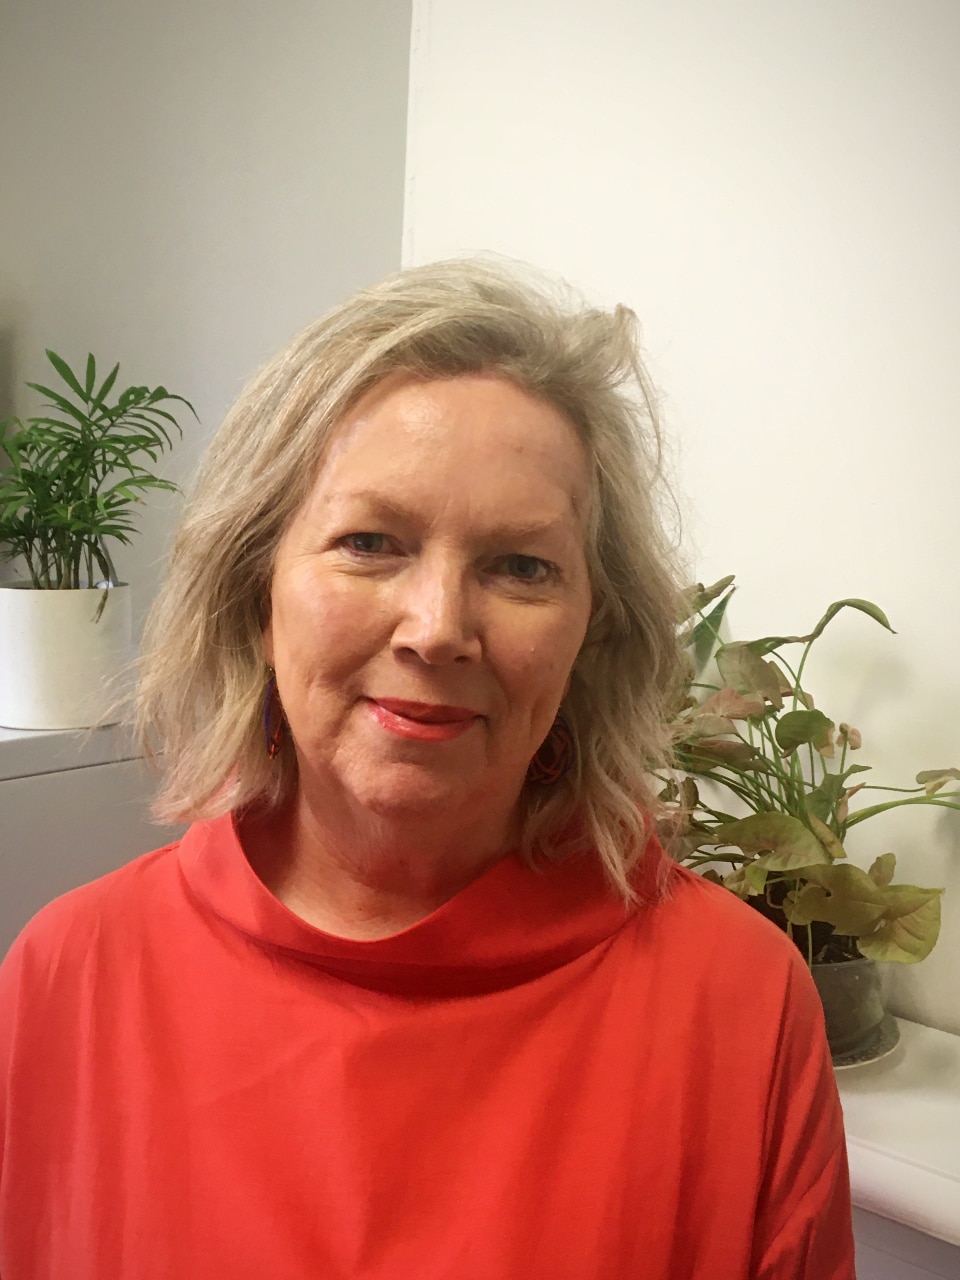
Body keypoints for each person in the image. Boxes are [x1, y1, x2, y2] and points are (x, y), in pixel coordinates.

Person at [0, 260, 856, 1279]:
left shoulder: (739, 1004)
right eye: (370, 542)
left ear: (592, 630)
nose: (438, 626)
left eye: (521, 566)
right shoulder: (69, 978)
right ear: (253, 594)